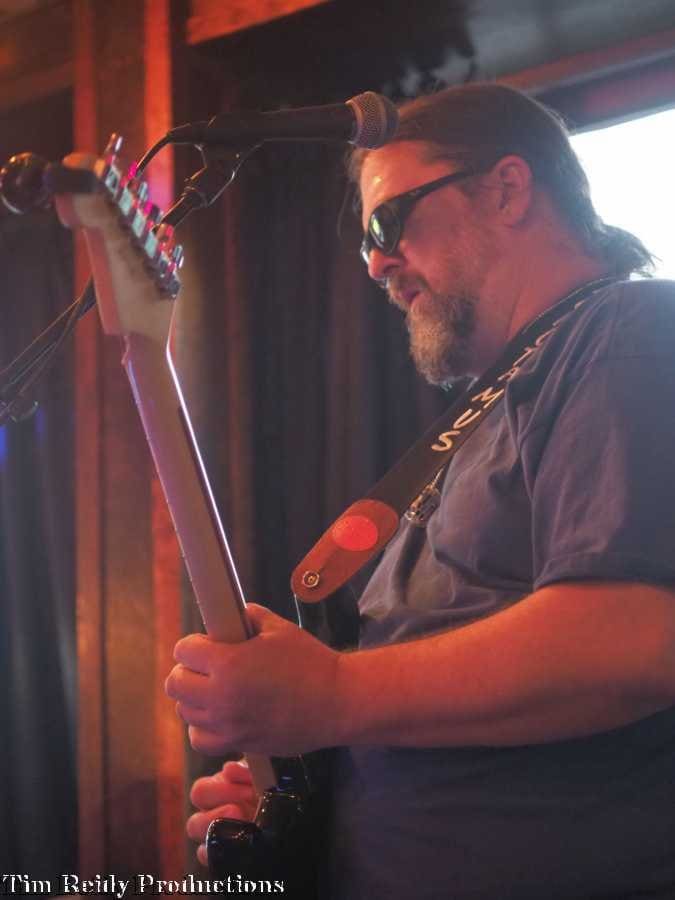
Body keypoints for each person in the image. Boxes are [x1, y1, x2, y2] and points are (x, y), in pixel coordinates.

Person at [164, 84, 675, 899]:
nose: (375, 263)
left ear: (505, 190)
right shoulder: (492, 410)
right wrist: (313, 793)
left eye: (387, 223)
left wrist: (330, 695)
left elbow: (632, 639)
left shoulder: (628, 329)